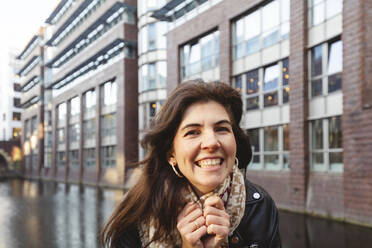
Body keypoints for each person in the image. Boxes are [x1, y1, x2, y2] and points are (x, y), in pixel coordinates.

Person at [101, 80, 281, 248]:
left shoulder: (259, 206)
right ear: (171, 154)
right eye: (193, 132)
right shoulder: (136, 214)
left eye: (221, 129)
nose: (211, 142)